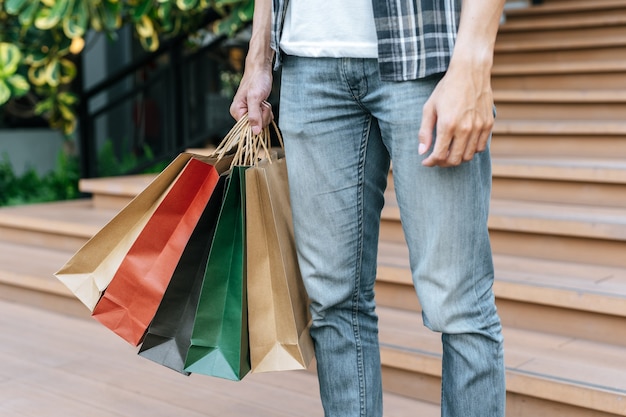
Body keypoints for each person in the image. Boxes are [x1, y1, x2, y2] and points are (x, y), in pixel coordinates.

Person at [230, 0, 506, 416]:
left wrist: (473, 61)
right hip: (309, 64)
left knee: (459, 304)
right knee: (332, 302)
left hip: (426, 54)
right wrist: (258, 55)